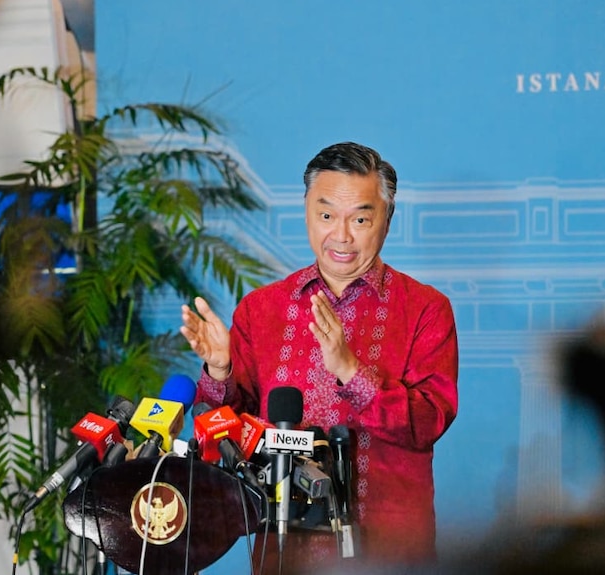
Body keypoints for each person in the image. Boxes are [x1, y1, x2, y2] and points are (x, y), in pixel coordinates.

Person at [180, 141, 459, 573]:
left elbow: (429, 422)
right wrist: (221, 370)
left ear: (387, 220)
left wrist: (352, 372)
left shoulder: (425, 309)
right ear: (306, 213)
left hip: (388, 553)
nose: (341, 235)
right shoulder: (261, 309)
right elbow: (229, 435)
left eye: (360, 218)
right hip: (284, 549)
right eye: (326, 215)